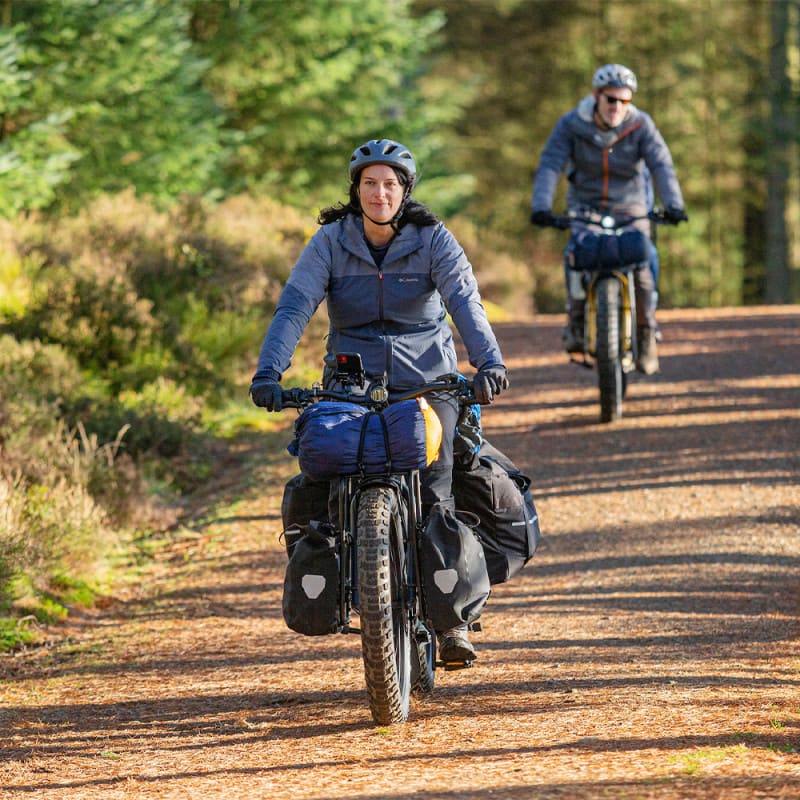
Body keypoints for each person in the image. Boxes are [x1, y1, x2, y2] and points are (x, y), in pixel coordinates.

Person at [249, 138, 509, 662]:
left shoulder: (433, 238)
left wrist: (489, 363)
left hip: (428, 380)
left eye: (390, 184)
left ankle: (452, 621)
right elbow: (295, 305)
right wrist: (269, 371)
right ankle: (345, 574)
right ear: (356, 189)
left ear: (404, 190)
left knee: (435, 483)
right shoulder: (330, 241)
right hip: (350, 382)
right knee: (326, 470)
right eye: (370, 183)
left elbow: (464, 301)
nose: (380, 193)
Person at [530, 63, 688, 374]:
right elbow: (551, 163)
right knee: (575, 256)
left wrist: (673, 204)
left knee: (644, 260)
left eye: (624, 100)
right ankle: (576, 321)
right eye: (611, 99)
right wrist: (541, 207)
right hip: (585, 207)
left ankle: (646, 332)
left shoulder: (641, 125)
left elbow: (661, 164)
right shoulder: (571, 125)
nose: (617, 106)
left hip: (631, 207)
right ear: (596, 96)